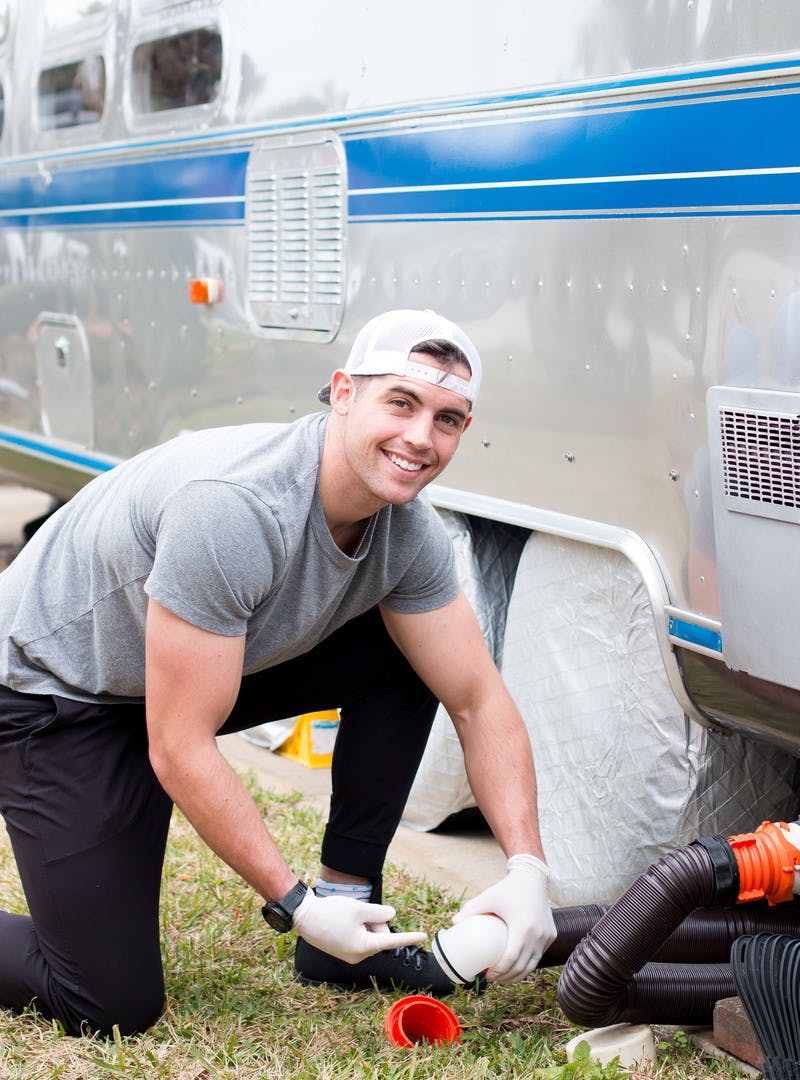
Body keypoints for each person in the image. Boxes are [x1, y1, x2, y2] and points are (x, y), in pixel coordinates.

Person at [0, 309, 556, 1037]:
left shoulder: (409, 535)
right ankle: (322, 916)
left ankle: (349, 906)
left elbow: (478, 699)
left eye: (447, 419)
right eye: (401, 403)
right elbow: (178, 744)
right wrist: (295, 905)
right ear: (343, 392)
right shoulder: (234, 509)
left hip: (162, 679)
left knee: (410, 652)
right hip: (52, 692)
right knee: (106, 1002)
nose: (422, 437)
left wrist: (527, 870)